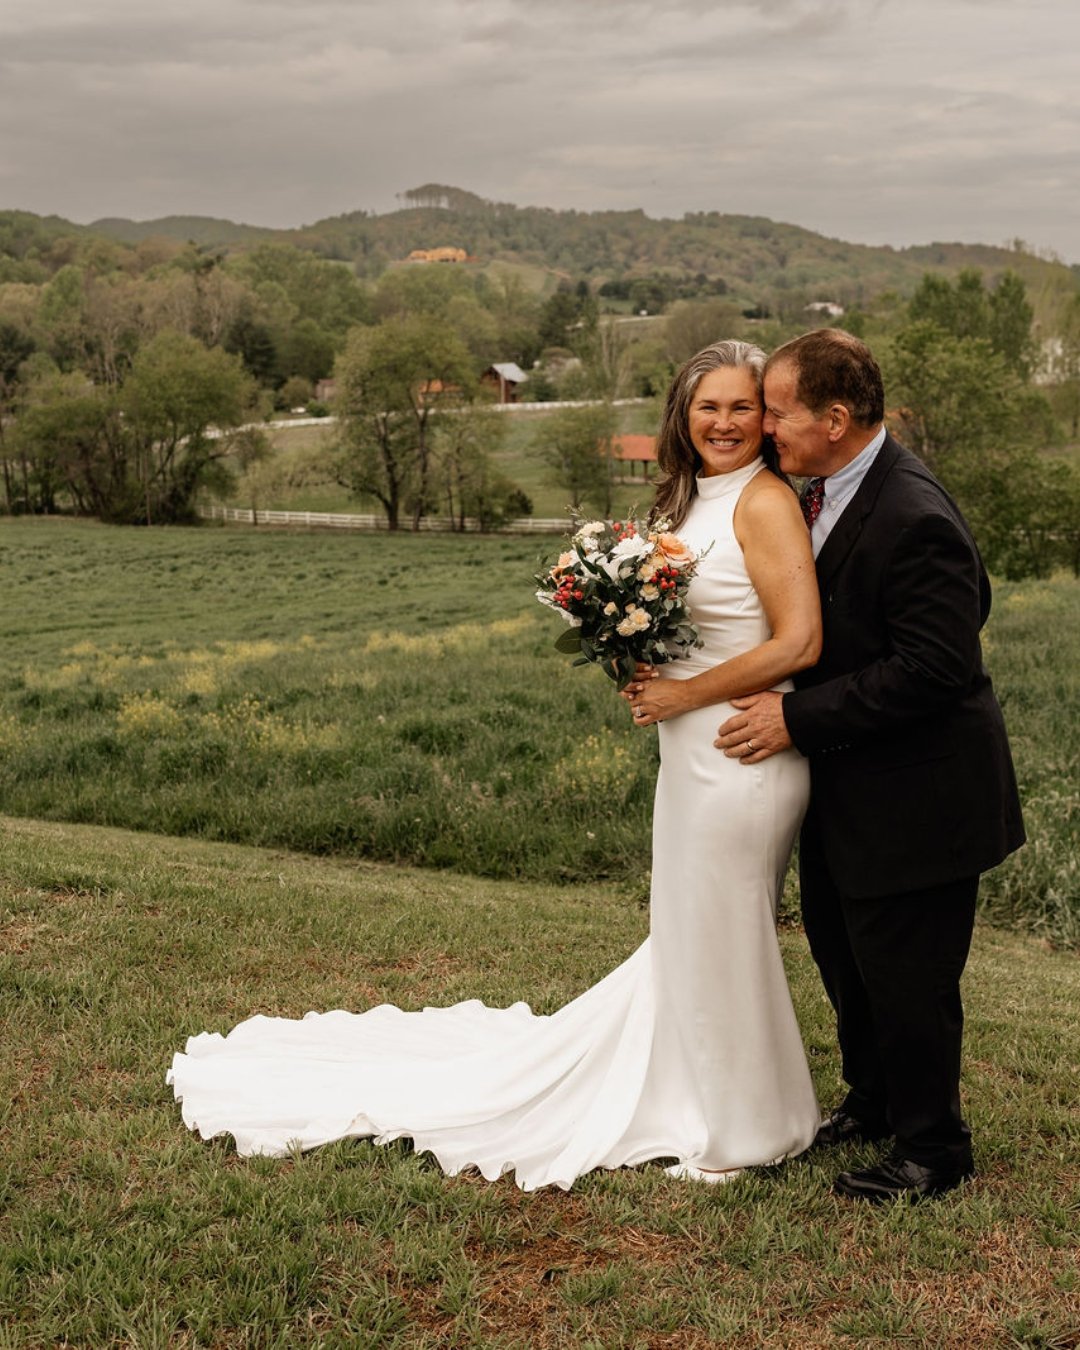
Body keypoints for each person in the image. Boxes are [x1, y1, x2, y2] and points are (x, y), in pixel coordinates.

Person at [168, 340, 825, 1190]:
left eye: (743, 407)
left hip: (744, 752)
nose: (726, 423)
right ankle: (704, 1092)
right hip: (690, 751)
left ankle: (746, 1127)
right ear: (682, 414)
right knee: (693, 932)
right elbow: (691, 621)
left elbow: (799, 641)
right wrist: (632, 649)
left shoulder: (766, 503)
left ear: (765, 419)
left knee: (725, 929)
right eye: (709, 407)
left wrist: (684, 696)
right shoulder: (692, 498)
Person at [715, 329, 1025, 1202]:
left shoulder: (913, 514)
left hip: (920, 799)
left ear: (836, 420)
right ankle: (876, 1100)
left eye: (777, 411)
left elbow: (936, 669)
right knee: (847, 957)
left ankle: (934, 1150)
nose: (766, 427)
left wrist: (794, 717)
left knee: (908, 980)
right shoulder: (823, 492)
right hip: (851, 791)